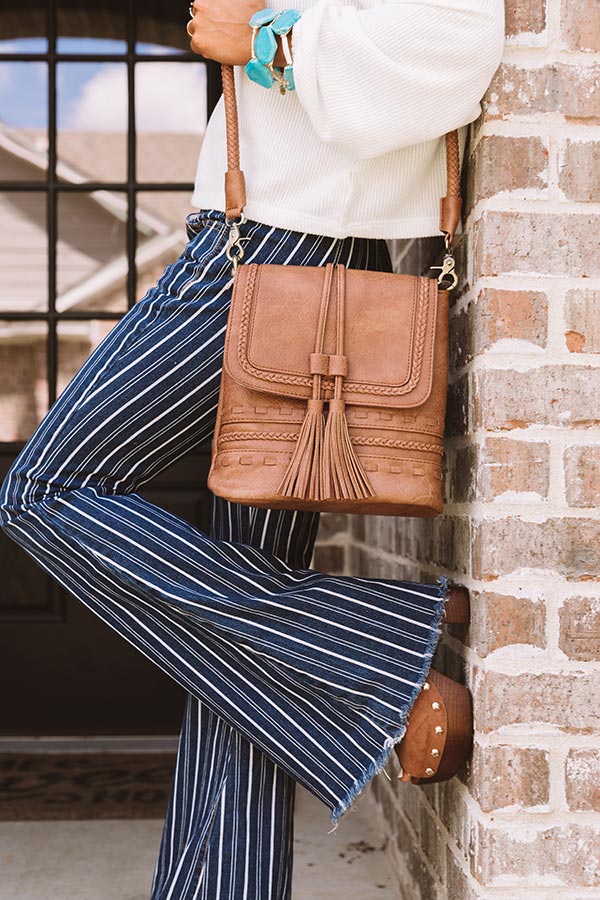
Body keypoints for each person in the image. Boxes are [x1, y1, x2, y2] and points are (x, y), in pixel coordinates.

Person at [0, 1, 505, 897]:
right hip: (290, 245)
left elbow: (458, 43)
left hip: (274, 247)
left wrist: (269, 38)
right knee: (236, 643)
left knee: (46, 491)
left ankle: (382, 650)